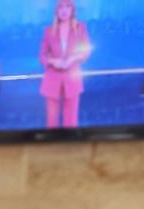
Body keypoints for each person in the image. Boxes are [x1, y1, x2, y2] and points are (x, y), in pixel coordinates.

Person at [39, 0, 91, 129]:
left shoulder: (80, 28)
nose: (64, 10)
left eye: (68, 6)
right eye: (61, 7)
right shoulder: (49, 30)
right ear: (56, 10)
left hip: (72, 78)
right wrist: (53, 61)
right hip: (52, 79)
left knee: (71, 121)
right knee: (51, 122)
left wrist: (72, 59)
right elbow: (42, 56)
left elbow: (85, 50)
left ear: (73, 10)